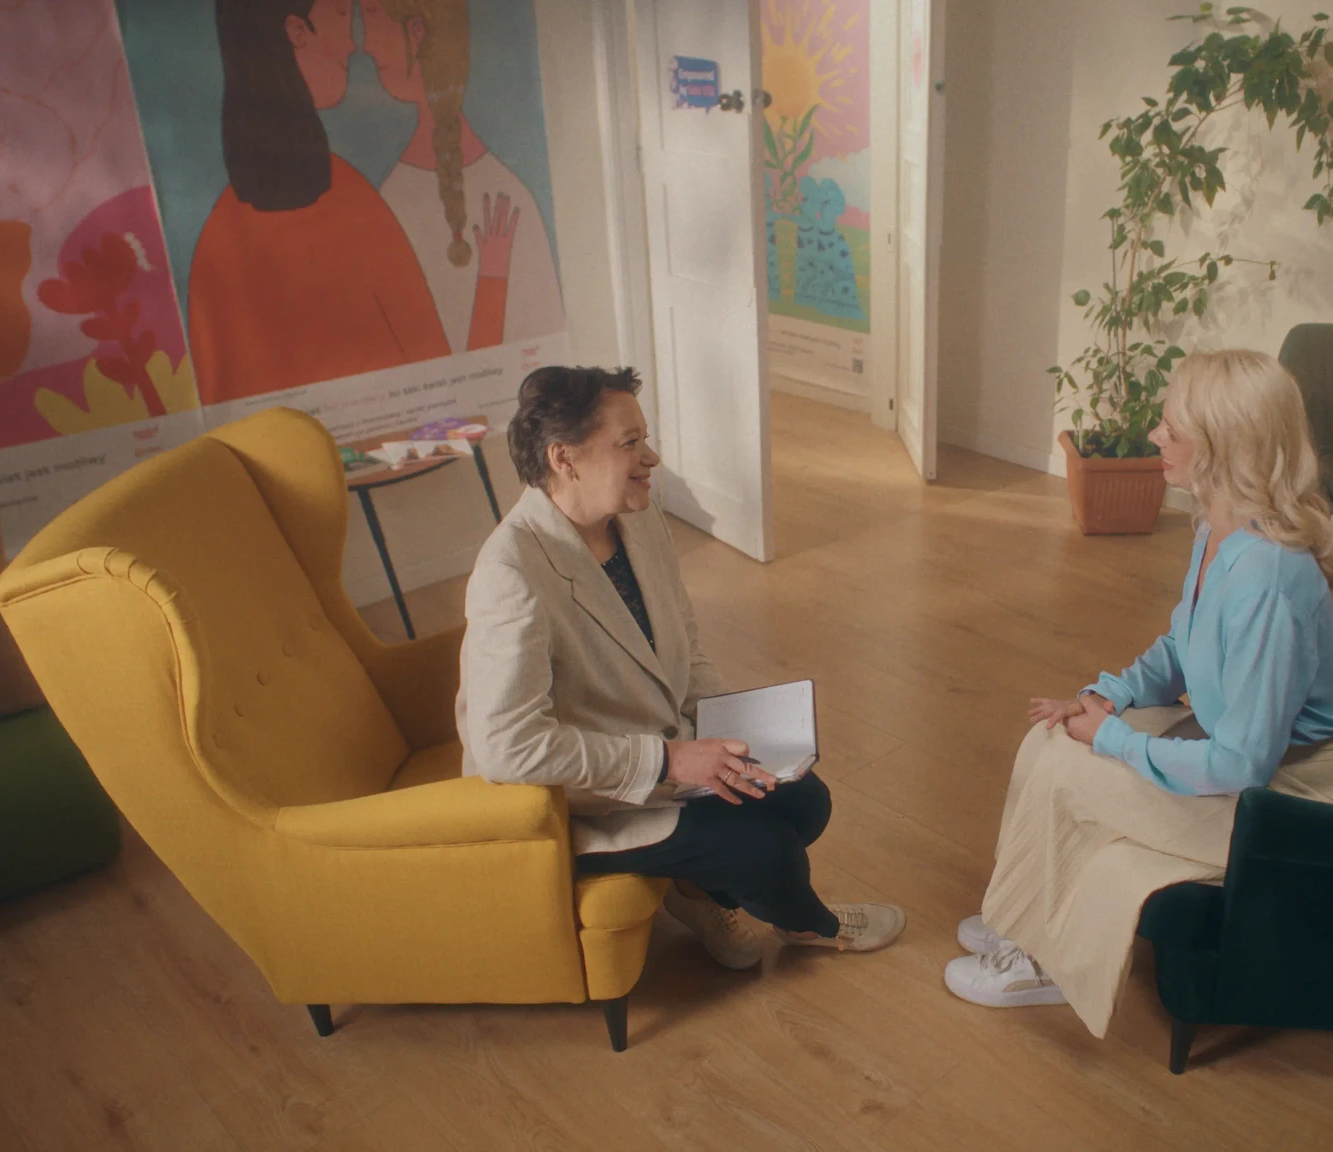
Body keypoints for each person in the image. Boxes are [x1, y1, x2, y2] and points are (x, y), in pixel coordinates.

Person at [944, 349, 1333, 1037]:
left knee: (1069, 775)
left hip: (1300, 802)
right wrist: (1108, 697)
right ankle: (1021, 917)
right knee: (1047, 741)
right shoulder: (1218, 529)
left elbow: (1242, 765)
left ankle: (1041, 960)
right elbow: (1182, 644)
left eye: (1172, 429)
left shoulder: (1269, 579)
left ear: (1223, 447)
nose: (1154, 436)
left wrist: (1114, 739)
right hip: (1255, 766)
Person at [458, 366, 904, 967]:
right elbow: (507, 747)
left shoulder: (638, 519)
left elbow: (683, 649)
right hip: (584, 798)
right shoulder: (510, 573)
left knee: (805, 801)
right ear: (565, 458)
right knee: (764, 849)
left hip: (666, 752)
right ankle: (809, 925)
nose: (652, 457)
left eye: (644, 438)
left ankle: (694, 891)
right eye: (629, 443)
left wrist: (732, 730)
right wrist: (669, 760)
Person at [187, 0, 516, 404]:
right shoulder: (349, 201)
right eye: (342, 16)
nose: (353, 45)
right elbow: (448, 389)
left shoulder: (216, 235)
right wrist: (494, 280)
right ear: (297, 32)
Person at [359, 0, 568, 355]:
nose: (365, 45)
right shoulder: (509, 194)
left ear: (417, 32)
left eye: (372, 19)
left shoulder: (395, 200)